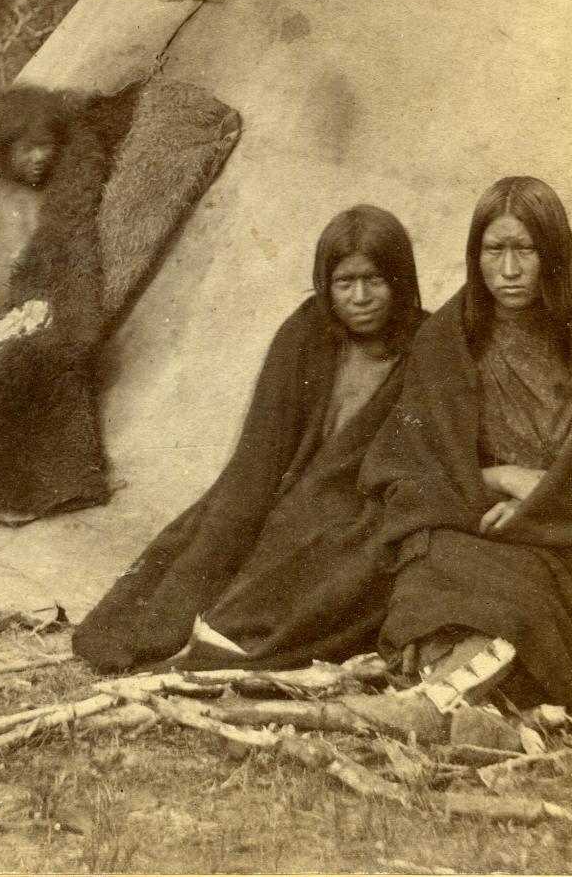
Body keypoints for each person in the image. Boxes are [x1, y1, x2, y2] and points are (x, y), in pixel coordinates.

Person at [74, 206, 427, 673]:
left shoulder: (427, 347)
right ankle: (169, 635)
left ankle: (234, 638)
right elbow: (259, 457)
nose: (360, 297)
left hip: (360, 506)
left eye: (375, 281)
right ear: (327, 285)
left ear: (400, 280)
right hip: (281, 488)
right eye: (345, 283)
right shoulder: (306, 334)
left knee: (333, 569)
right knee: (212, 540)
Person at [361, 176, 572, 706]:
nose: (508, 270)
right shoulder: (447, 337)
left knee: (523, 601)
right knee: (429, 576)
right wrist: (499, 480)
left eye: (524, 249)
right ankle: (444, 686)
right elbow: (409, 464)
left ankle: (446, 695)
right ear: (474, 253)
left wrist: (541, 502)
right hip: (475, 518)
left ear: (553, 252)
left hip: (569, 531)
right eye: (494, 250)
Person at [0, 86, 68, 352]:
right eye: (28, 148)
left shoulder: (58, 195)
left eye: (46, 145)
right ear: (4, 149)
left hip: (44, 326)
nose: (39, 157)